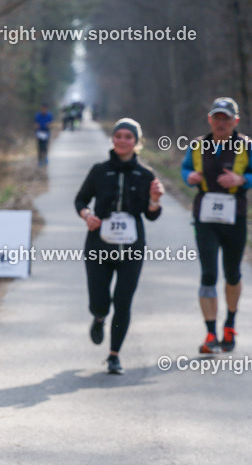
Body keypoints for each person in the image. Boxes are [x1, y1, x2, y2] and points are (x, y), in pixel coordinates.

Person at [74, 118, 164, 374]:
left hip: (132, 248)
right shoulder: (99, 171)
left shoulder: (146, 175)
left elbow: (152, 215)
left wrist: (155, 200)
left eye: (128, 137)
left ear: (136, 142)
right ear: (112, 139)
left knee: (123, 302)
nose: (123, 140)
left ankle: (114, 355)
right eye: (119, 136)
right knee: (100, 301)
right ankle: (99, 317)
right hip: (98, 246)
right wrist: (86, 215)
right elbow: (80, 199)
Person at [180, 97, 252, 353]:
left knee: (232, 274)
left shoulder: (247, 146)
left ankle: (230, 325)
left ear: (235, 121)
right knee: (208, 275)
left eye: (226, 118)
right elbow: (185, 168)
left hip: (235, 216)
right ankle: (210, 333)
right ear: (210, 119)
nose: (221, 123)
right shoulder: (198, 145)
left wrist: (242, 178)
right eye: (217, 118)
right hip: (205, 218)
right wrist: (189, 176)